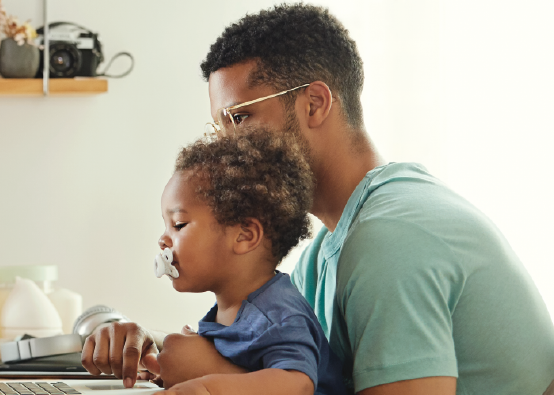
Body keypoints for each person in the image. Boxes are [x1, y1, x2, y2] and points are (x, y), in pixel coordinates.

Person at [82, 4, 554, 395]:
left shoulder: (392, 239)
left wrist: (213, 378)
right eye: (220, 126)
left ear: (314, 103)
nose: (227, 146)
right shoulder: (322, 254)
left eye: (241, 119)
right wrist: (152, 350)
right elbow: (300, 374)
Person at [145, 131, 347, 395]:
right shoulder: (230, 309)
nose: (163, 239)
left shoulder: (278, 312)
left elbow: (297, 384)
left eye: (179, 225)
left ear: (244, 235)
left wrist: (206, 387)